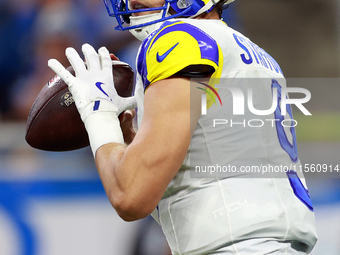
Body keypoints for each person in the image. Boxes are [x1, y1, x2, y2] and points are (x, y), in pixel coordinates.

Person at [47, 0, 318, 254]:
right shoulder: (256, 54)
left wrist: (99, 115)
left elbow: (131, 197)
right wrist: (128, 141)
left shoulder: (180, 39)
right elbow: (200, 167)